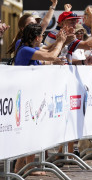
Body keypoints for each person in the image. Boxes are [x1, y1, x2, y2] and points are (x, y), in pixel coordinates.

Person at [13, 23, 66, 175]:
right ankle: (21, 168)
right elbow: (50, 55)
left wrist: (63, 41)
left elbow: (47, 50)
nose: (42, 39)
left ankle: (24, 167)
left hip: (31, 97)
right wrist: (60, 42)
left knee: (32, 134)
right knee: (27, 134)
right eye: (41, 36)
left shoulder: (26, 46)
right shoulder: (24, 49)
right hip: (24, 99)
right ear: (36, 37)